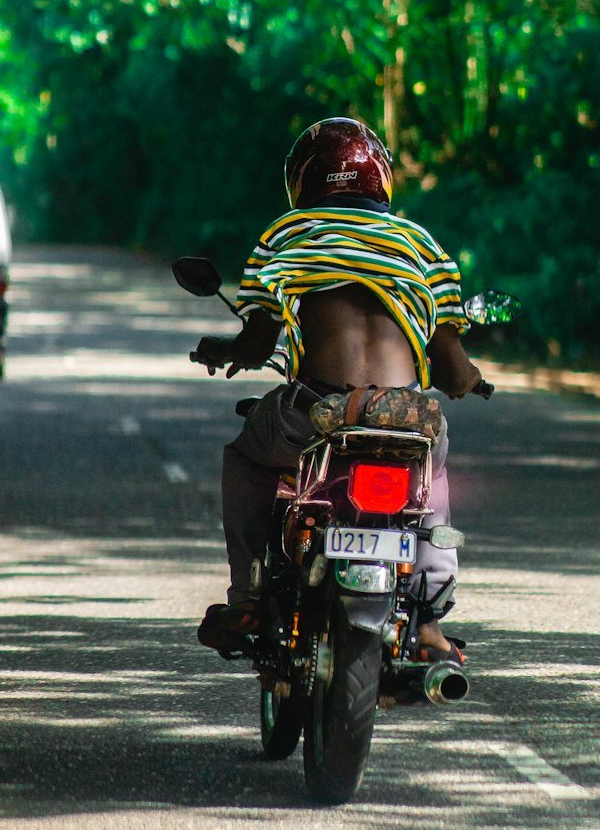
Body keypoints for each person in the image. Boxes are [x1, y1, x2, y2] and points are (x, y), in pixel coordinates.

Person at [193, 117, 484, 661]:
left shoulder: (286, 234)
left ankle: (249, 595)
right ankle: (426, 622)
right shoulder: (420, 243)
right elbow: (452, 366)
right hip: (405, 416)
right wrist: (470, 380)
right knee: (432, 474)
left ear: (301, 181)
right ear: (382, 177)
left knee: (246, 458)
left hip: (318, 410)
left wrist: (224, 351)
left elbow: (257, 345)